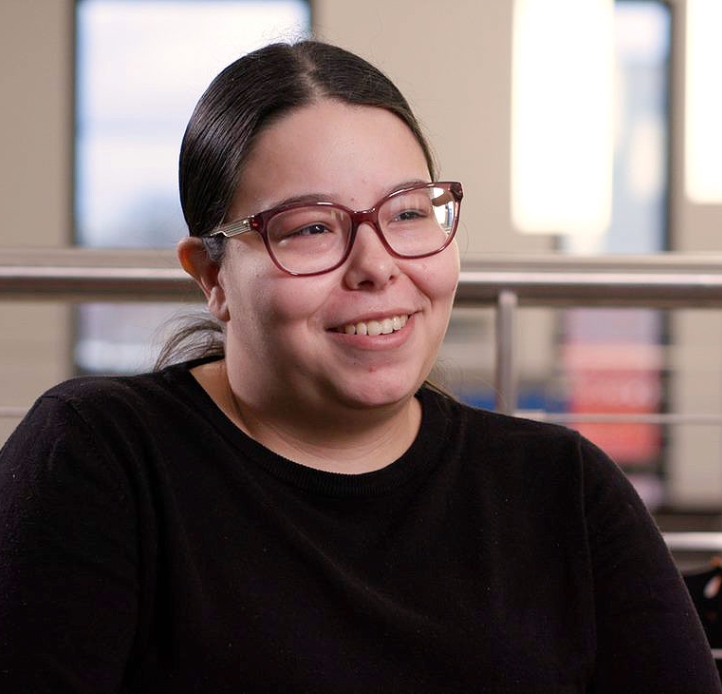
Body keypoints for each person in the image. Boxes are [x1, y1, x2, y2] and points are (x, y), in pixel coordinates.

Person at [0, 40, 719, 694]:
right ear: (212, 276)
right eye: (312, 227)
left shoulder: (563, 488)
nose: (376, 266)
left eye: (408, 213)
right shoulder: (98, 459)